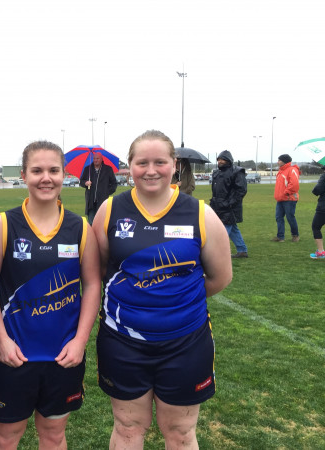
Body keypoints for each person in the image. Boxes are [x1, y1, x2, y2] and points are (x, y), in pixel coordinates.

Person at [92, 130, 232, 449]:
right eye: (142, 162)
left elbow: (220, 277)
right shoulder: (110, 211)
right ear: (130, 166)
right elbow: (99, 271)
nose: (151, 170)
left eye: (160, 162)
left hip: (186, 342)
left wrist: (176, 303)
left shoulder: (200, 214)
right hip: (122, 341)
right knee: (128, 428)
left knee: (180, 432)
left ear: (174, 164)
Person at [0, 141, 101, 450]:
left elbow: (92, 285)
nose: (46, 178)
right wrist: (2, 340)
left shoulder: (80, 227)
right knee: (5, 438)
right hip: (12, 356)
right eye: (37, 171)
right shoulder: (3, 224)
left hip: (63, 357)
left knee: (53, 436)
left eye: (53, 170)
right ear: (24, 175)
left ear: (64, 175)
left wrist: (80, 341)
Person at [210, 150, 249, 258]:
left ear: (228, 160)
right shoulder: (216, 173)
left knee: (223, 230)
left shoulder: (237, 172)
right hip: (218, 205)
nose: (220, 161)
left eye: (223, 159)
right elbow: (216, 191)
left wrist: (230, 203)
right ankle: (242, 250)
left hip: (230, 207)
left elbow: (241, 190)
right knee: (233, 229)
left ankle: (216, 253)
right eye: (219, 159)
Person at [79, 151, 118, 223]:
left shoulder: (108, 169)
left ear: (101, 159)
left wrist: (106, 192)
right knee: (91, 222)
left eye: (97, 158)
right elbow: (81, 181)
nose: (95, 160)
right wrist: (85, 183)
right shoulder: (88, 169)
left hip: (102, 201)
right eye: (94, 158)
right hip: (90, 201)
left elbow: (114, 184)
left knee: (101, 222)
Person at [272, 154, 301, 242]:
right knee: (278, 217)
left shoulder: (292, 170)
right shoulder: (281, 171)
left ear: (284, 161)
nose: (278, 162)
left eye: (279, 160)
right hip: (280, 199)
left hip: (289, 199)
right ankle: (280, 237)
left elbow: (294, 184)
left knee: (290, 217)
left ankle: (295, 235)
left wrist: (286, 192)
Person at [309, 165, 325, 259]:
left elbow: (317, 190)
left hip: (323, 207)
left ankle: (320, 251)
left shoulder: (324, 177)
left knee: (316, 227)